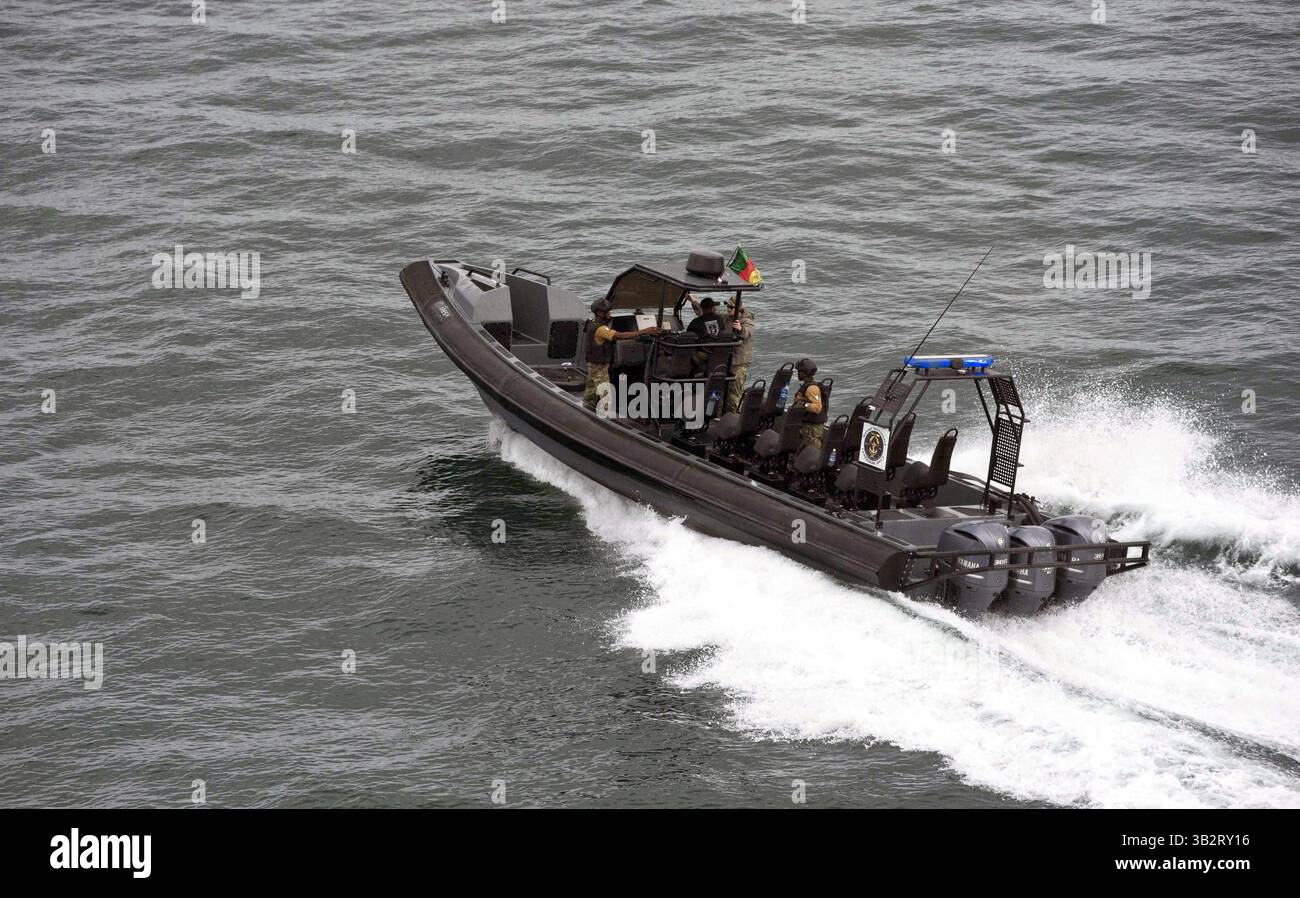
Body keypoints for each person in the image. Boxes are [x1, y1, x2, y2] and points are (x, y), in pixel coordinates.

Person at [583, 298, 657, 411]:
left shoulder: (592, 323)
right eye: (607, 312)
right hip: (600, 368)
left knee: (591, 392)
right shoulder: (601, 329)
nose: (609, 314)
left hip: (593, 364)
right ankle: (606, 419)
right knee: (606, 397)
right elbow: (620, 336)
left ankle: (586, 410)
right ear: (599, 313)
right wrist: (645, 331)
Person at [723, 296, 755, 413]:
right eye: (727, 306)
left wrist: (740, 329)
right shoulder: (727, 319)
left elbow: (748, 332)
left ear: (738, 308)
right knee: (723, 392)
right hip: (728, 361)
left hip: (739, 363)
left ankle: (736, 418)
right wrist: (694, 302)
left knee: (734, 394)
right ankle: (723, 417)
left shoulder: (747, 320)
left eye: (731, 307)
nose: (728, 309)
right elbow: (711, 315)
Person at [792, 357, 827, 450]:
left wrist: (803, 405)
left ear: (805, 373)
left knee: (812, 452)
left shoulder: (812, 388)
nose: (798, 373)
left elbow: (817, 408)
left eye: (799, 371)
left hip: (812, 430)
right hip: (807, 427)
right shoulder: (807, 386)